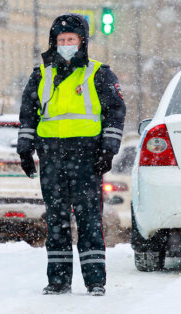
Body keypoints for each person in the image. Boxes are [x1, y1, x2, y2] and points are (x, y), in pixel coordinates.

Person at [17, 13, 126, 296]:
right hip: (52, 157)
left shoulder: (98, 73)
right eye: (61, 40)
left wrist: (108, 150)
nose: (65, 44)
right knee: (56, 220)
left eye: (71, 40)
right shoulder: (41, 75)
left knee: (89, 219)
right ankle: (58, 280)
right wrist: (25, 149)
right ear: (54, 42)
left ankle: (95, 281)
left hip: (87, 157)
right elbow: (28, 115)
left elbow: (115, 113)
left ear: (82, 43)